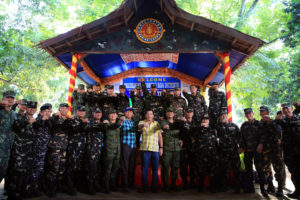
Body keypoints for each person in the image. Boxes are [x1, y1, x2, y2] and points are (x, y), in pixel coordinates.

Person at [8, 101, 38, 199]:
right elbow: (15, 126)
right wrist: (27, 122)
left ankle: (23, 191)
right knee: (16, 172)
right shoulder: (19, 117)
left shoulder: (36, 120)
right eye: (30, 108)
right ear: (26, 108)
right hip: (19, 151)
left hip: (30, 151)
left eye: (34, 108)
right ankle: (12, 194)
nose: (32, 110)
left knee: (26, 172)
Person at [240, 108, 268, 197]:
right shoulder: (244, 125)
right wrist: (242, 147)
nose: (248, 115)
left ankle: (263, 189)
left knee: (260, 169)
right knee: (248, 169)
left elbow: (264, 135)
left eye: (250, 113)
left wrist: (261, 144)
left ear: (253, 114)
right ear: (245, 116)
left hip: (257, 150)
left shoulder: (259, 124)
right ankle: (250, 188)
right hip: (248, 151)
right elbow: (241, 138)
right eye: (246, 114)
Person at [44, 103, 70, 197]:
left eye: (66, 108)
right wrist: (55, 117)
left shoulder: (68, 119)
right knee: (53, 168)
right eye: (62, 108)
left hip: (64, 147)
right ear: (59, 109)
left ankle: (57, 187)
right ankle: (50, 188)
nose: (64, 109)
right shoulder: (54, 118)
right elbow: (51, 126)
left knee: (61, 169)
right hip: (55, 148)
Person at [276, 103, 300, 199]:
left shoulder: (298, 118)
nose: (285, 110)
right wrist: (277, 119)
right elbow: (274, 126)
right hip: (289, 151)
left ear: (291, 108)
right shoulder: (282, 120)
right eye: (283, 109)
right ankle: (297, 191)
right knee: (294, 172)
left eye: (287, 108)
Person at [259, 106, 284, 197]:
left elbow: (278, 132)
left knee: (278, 169)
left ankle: (280, 188)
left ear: (268, 112)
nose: (263, 113)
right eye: (261, 112)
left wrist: (269, 121)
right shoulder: (259, 124)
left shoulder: (274, 122)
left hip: (275, 150)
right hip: (265, 150)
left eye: (264, 111)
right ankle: (270, 186)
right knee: (267, 169)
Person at [65, 106, 89, 195]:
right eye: (80, 111)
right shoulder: (73, 120)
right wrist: (83, 124)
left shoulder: (85, 121)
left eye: (83, 111)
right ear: (76, 112)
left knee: (79, 167)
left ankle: (77, 186)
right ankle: (69, 187)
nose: (82, 113)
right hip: (74, 148)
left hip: (82, 147)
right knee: (72, 167)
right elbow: (75, 130)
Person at [216, 110, 241, 193]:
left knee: (236, 169)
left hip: (234, 151)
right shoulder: (217, 127)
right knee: (224, 170)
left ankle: (238, 187)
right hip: (223, 152)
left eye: (224, 115)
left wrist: (241, 148)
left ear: (227, 116)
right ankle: (224, 186)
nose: (223, 117)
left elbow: (240, 138)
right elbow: (215, 140)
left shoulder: (234, 126)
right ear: (219, 118)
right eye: (221, 116)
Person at [138, 110, 163, 193]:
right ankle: (144, 187)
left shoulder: (156, 123)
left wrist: (161, 148)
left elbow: (160, 136)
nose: (149, 115)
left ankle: (154, 187)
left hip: (155, 149)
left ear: (153, 115)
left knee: (155, 169)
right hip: (145, 149)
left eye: (151, 114)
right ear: (145, 115)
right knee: (144, 168)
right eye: (147, 113)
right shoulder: (142, 122)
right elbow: (139, 127)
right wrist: (143, 125)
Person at [31, 104, 52, 196]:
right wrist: (43, 120)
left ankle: (38, 186)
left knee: (40, 168)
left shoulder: (48, 121)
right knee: (35, 168)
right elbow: (35, 126)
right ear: (41, 112)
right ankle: (32, 187)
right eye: (46, 111)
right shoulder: (37, 120)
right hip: (37, 149)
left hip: (44, 149)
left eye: (49, 111)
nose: (48, 113)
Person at [160, 107, 183, 192]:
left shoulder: (177, 123)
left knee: (175, 167)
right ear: (166, 114)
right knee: (165, 167)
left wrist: (181, 139)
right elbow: (164, 127)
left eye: (171, 112)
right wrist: (166, 126)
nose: (170, 113)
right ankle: (165, 185)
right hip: (167, 148)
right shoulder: (163, 122)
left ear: (174, 114)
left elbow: (181, 132)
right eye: (168, 112)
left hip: (177, 148)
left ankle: (173, 184)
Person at [195, 114, 219, 193]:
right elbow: (193, 133)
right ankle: (200, 188)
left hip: (211, 154)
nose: (205, 121)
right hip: (201, 154)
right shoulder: (197, 129)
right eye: (203, 119)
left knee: (212, 171)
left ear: (209, 121)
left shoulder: (213, 130)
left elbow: (216, 142)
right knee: (201, 171)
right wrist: (201, 127)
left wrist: (217, 153)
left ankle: (213, 187)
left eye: (206, 119)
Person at [102, 109, 122, 193]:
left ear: (117, 115)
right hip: (109, 149)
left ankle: (112, 185)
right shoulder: (106, 123)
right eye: (111, 114)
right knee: (108, 169)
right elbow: (112, 127)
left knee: (115, 169)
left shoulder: (119, 125)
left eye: (114, 114)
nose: (113, 115)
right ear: (109, 116)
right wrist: (120, 122)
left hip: (118, 149)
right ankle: (106, 186)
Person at [85, 107, 104, 195]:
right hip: (92, 148)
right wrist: (101, 126)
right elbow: (91, 129)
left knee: (98, 167)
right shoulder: (91, 122)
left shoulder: (102, 122)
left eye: (99, 113)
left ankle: (95, 184)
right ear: (93, 114)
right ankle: (89, 186)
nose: (98, 114)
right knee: (91, 167)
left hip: (100, 148)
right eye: (96, 113)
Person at [0, 91, 16, 184]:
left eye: (12, 98)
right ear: (3, 99)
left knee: (3, 172)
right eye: (7, 97)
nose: (10, 99)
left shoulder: (14, 114)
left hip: (9, 148)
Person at [180, 108, 198, 189]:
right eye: (188, 112)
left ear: (193, 113)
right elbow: (179, 132)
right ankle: (185, 183)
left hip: (194, 147)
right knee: (184, 166)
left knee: (193, 165)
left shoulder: (196, 122)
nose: (189, 113)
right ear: (185, 113)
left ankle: (192, 182)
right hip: (184, 147)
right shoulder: (181, 122)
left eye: (191, 112)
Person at [120, 107, 136, 192]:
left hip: (133, 146)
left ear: (132, 114)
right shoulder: (122, 121)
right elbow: (118, 128)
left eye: (131, 112)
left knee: (132, 165)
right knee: (125, 165)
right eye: (128, 112)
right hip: (125, 145)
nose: (129, 113)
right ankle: (124, 185)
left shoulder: (133, 122)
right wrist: (120, 121)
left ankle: (131, 184)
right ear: (125, 113)